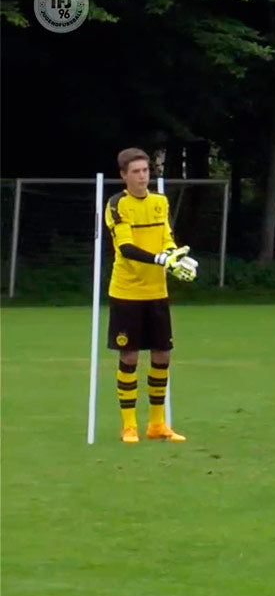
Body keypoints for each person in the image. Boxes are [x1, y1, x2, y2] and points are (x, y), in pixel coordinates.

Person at [104, 148, 198, 444]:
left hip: (157, 291)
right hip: (127, 291)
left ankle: (157, 424)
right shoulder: (117, 204)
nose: (143, 176)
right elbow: (126, 249)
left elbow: (166, 239)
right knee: (129, 355)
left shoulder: (160, 201)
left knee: (162, 354)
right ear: (124, 175)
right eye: (136, 172)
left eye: (146, 170)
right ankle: (129, 425)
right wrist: (162, 260)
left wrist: (175, 257)